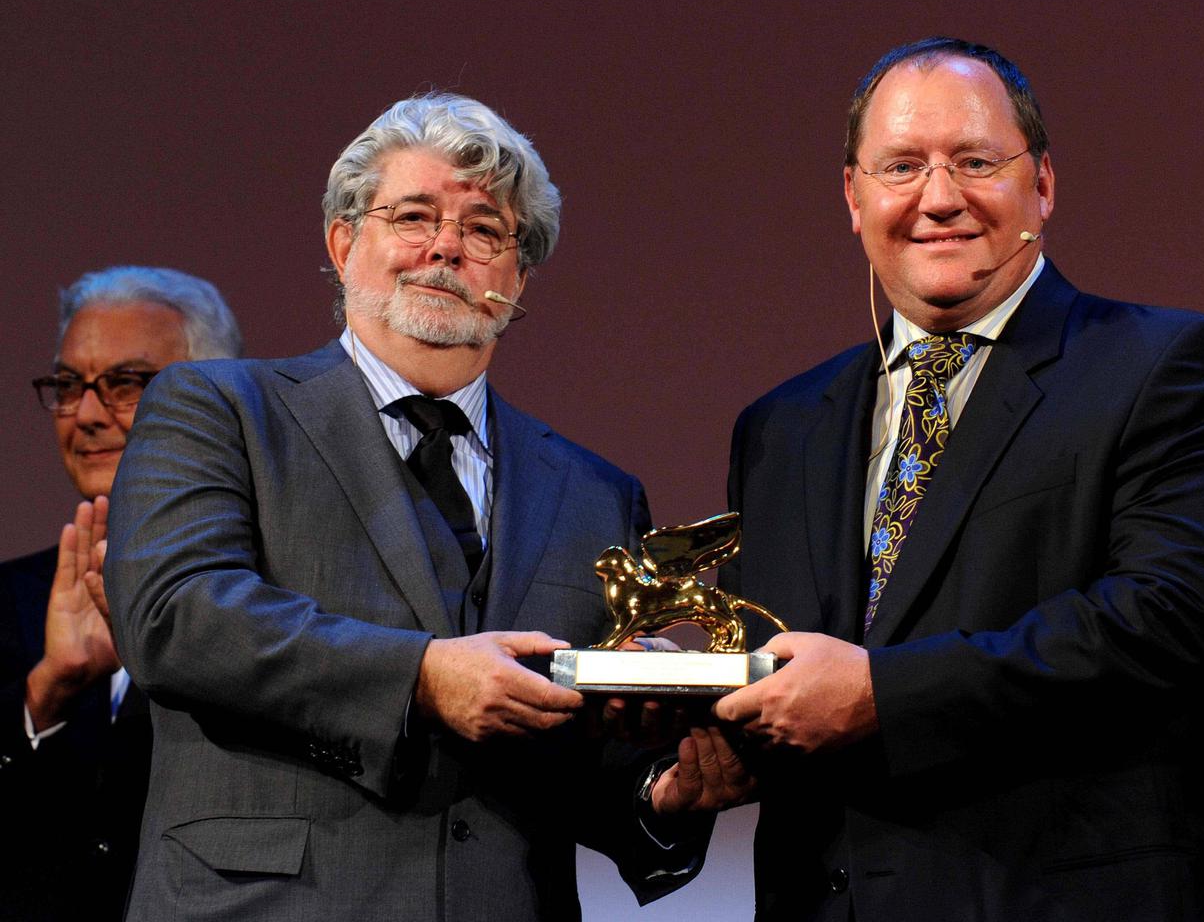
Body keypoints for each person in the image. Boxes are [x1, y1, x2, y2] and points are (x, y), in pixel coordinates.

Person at [104, 93, 711, 921]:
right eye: (413, 216)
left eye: (485, 231)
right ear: (344, 242)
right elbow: (177, 618)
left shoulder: (596, 495)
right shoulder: (220, 409)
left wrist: (665, 791)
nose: (446, 249)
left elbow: (573, 762)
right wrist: (420, 679)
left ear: (519, 275)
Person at [711, 37, 1204, 920]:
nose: (940, 198)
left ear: (1042, 185)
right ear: (854, 199)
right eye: (901, 166)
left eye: (976, 161)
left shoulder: (1169, 366)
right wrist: (682, 714)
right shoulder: (781, 429)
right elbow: (779, 674)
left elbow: (1167, 628)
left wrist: (880, 698)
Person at [0, 266, 242, 920]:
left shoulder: (272, 599)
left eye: (126, 384)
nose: (85, 415)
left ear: (215, 398)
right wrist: (45, 692)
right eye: (69, 385)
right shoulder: (7, 600)